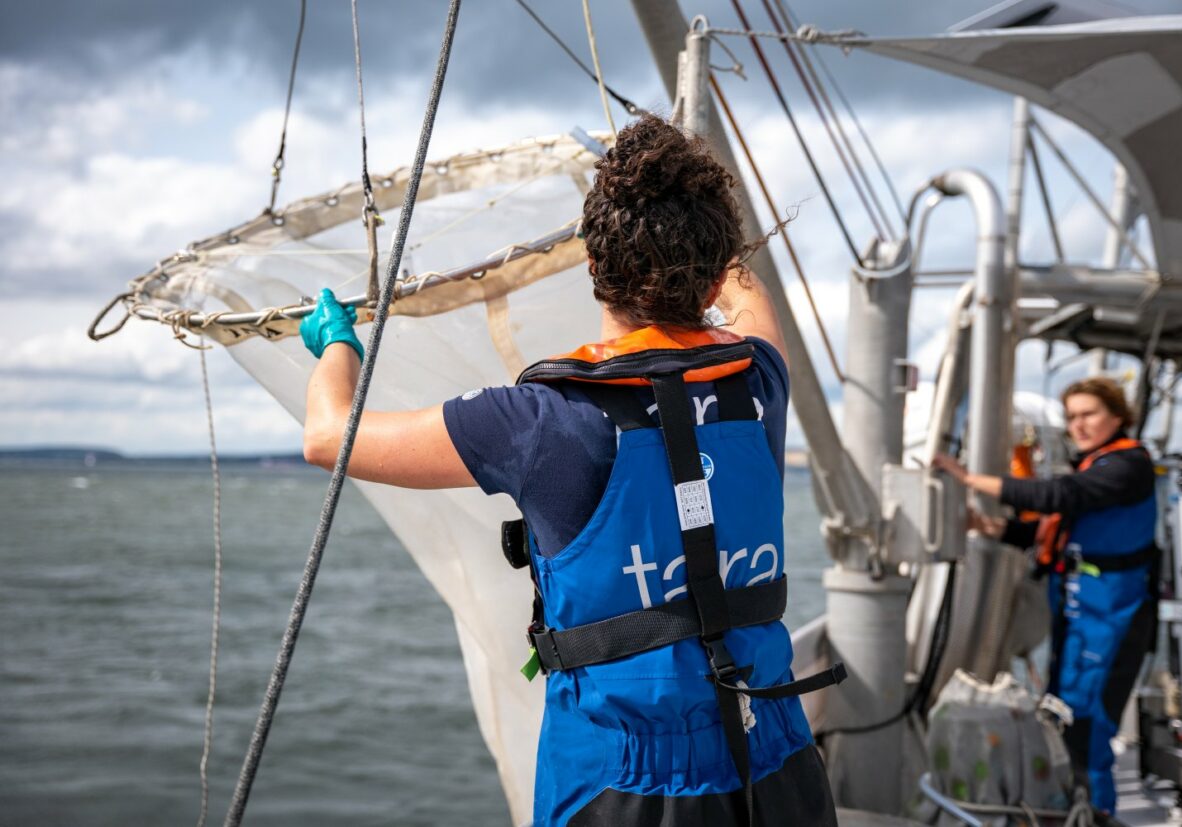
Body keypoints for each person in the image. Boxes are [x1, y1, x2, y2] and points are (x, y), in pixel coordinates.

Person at [300, 114, 840, 826]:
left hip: (621, 790)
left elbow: (328, 434)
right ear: (713, 274)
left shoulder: (537, 422)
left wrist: (339, 345)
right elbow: (752, 299)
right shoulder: (761, 380)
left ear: (593, 266)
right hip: (774, 761)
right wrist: (701, 233)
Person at [934, 377, 1158, 814]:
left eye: (1089, 413)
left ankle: (1097, 816)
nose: (1079, 424)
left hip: (1112, 616)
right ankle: (1071, 812)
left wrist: (969, 478)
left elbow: (1059, 496)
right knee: (1065, 715)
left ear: (1118, 415)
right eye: (1072, 416)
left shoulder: (1129, 465)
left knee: (1088, 727)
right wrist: (990, 527)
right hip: (1082, 614)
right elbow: (1056, 529)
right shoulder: (1095, 467)